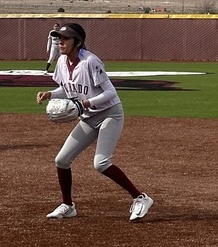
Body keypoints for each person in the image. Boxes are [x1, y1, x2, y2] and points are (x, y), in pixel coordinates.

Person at [36, 22, 153, 221]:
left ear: (78, 42)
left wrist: (86, 102)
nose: (60, 42)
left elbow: (110, 92)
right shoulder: (62, 63)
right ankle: (68, 205)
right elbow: (68, 88)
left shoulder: (91, 61)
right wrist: (50, 94)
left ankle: (141, 198)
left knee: (101, 163)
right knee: (61, 160)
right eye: (59, 38)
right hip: (88, 117)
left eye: (65, 38)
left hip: (109, 114)